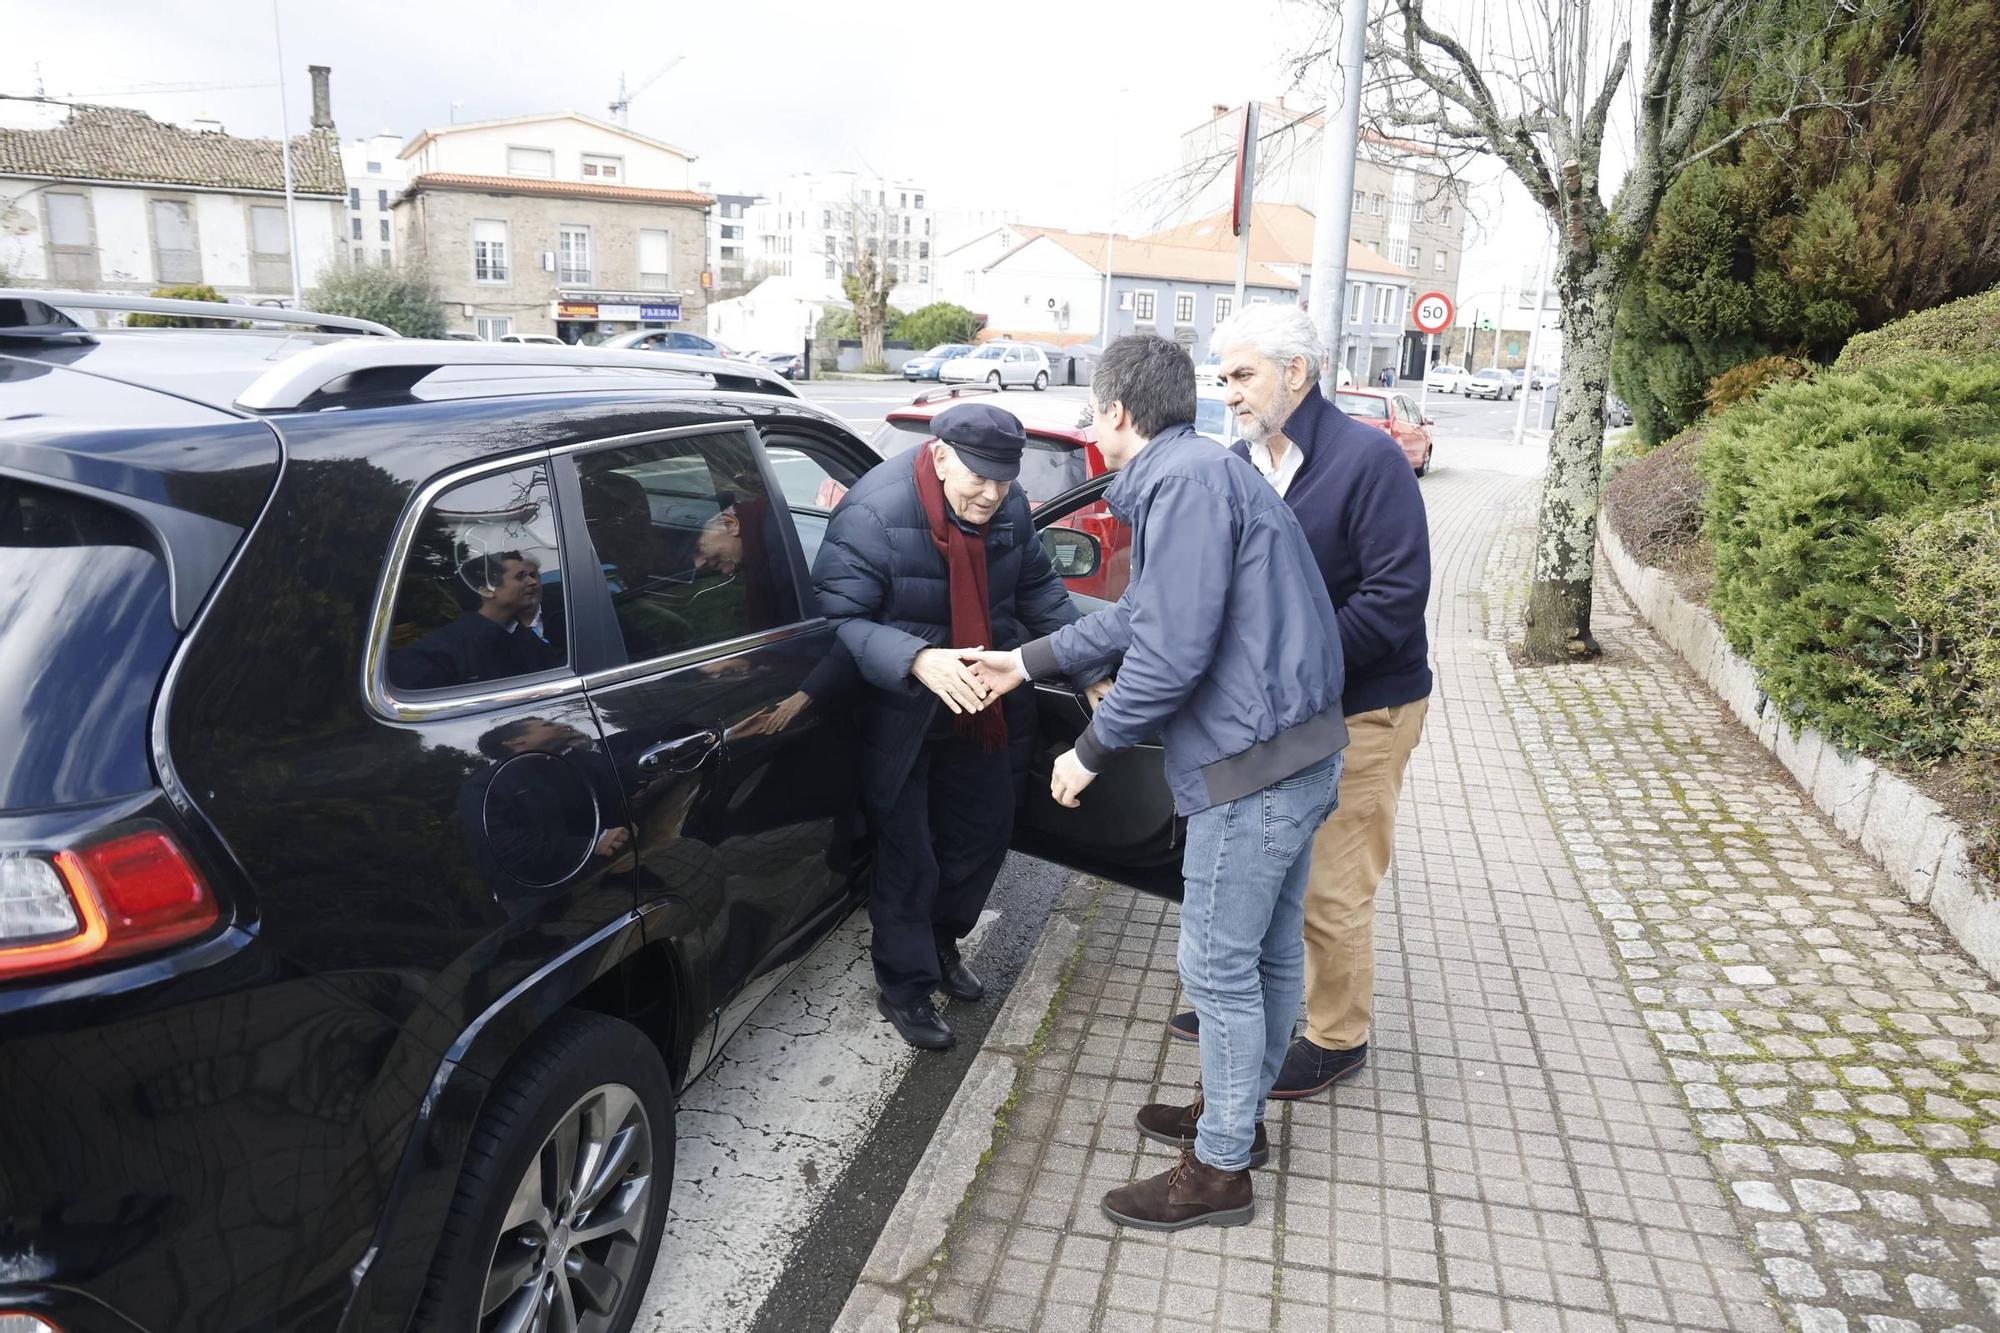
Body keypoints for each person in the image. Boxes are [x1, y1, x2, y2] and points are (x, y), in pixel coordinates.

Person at [967, 334, 1347, 1232]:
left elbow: (1170, 654)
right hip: (1301, 751)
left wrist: (1087, 752)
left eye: (1093, 409)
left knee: (1218, 969)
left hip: (1250, 769)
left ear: (1116, 415)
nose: (1092, 423)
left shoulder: (1180, 486)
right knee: (1270, 954)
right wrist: (1026, 661)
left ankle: (1219, 1170)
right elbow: (1144, 614)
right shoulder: (1204, 474)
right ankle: (1234, 1118)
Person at [1171, 301, 1431, 1098]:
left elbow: (1395, 597)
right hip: (1286, 710)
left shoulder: (1367, 461)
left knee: (1332, 880)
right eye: (1223, 379)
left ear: (1296, 372)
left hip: (1364, 707)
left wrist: (1294, 671)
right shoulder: (1244, 463)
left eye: (1243, 376)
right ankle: (1256, 1002)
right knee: (1274, 862)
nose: (1230, 394)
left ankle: (1337, 1033)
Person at [812, 402, 1104, 1051]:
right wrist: (916, 657)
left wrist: (1089, 667)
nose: (993, 493)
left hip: (985, 707)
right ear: (941, 455)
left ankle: (943, 945)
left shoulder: (1009, 505)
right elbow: (837, 621)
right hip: (902, 714)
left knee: (981, 834)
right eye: (980, 477)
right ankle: (906, 983)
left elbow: (1039, 593)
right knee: (910, 853)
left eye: (1005, 478)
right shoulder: (873, 513)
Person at [391, 550, 564, 690]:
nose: (533, 582)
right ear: (486, 590)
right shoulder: (443, 650)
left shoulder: (518, 634)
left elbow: (561, 667)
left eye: (532, 575)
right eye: (520, 577)